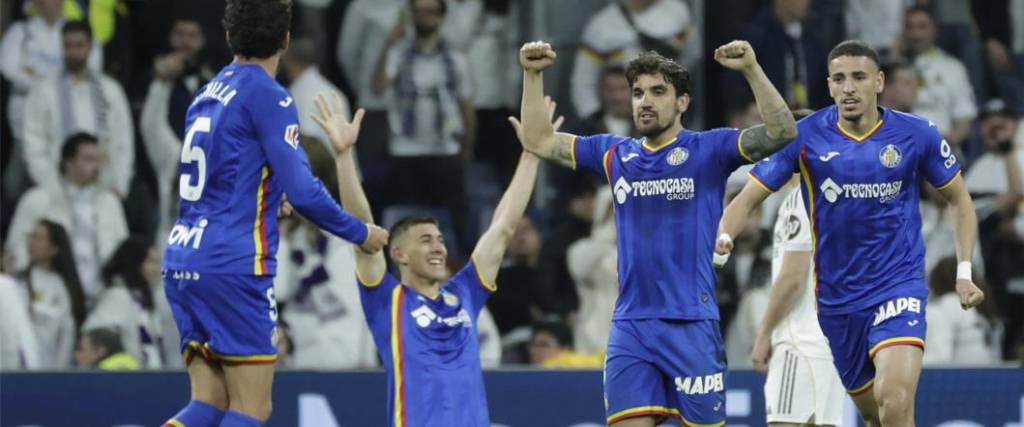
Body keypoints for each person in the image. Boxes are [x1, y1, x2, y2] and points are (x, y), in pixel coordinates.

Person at [517, 39, 797, 426]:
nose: (644, 101)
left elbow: (782, 133)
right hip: (631, 328)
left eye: (658, 91)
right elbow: (539, 140)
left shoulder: (709, 149)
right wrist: (532, 75)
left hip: (691, 325)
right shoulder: (615, 154)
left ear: (683, 102)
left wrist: (751, 69)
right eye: (637, 93)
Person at [717, 40, 985, 426]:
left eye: (859, 77)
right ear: (829, 86)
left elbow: (960, 201)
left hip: (898, 286)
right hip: (838, 302)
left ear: (879, 82)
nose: (849, 88)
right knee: (876, 414)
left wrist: (964, 272)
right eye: (839, 79)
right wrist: (723, 239)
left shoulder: (917, 133)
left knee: (894, 400)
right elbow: (745, 200)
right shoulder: (804, 137)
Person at [160, 1, 389, 426]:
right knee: (252, 407)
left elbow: (219, 178)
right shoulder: (271, 96)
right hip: (233, 264)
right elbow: (305, 191)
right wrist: (361, 232)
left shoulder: (205, 95)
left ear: (228, 37)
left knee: (208, 404)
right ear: (285, 41)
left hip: (183, 257)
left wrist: (266, 194)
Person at [310, 89, 554, 425]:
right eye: (425, 241)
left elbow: (503, 228)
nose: (438, 247)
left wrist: (531, 156)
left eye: (440, 240)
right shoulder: (387, 301)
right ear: (399, 253)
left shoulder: (465, 293)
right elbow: (361, 227)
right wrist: (343, 157)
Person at [718, 179, 845, 426]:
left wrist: (764, 333)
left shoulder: (800, 200)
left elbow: (792, 279)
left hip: (799, 344)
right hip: (827, 342)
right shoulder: (827, 198)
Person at [21, 220, 86, 369]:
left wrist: (58, 373)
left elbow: (67, 334)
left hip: (50, 368)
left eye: (39, 238)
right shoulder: (19, 281)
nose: (32, 242)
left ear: (54, 248)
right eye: (31, 236)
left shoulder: (63, 287)